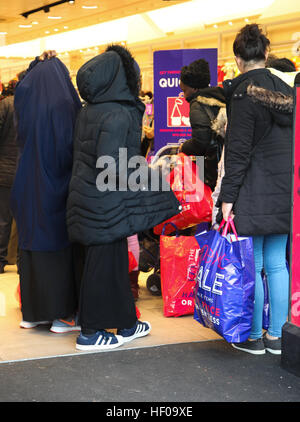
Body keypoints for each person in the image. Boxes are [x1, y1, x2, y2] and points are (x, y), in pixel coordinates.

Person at [66, 44, 181, 351]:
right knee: (102, 268)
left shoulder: (89, 110)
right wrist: (156, 183)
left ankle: (127, 322)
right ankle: (90, 333)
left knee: (114, 266)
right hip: (105, 205)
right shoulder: (118, 114)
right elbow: (113, 165)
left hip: (87, 198)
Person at [218, 24, 294, 355]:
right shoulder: (287, 91)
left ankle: (253, 337)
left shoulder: (243, 93)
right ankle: (278, 337)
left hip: (252, 192)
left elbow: (238, 151)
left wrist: (227, 197)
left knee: (256, 263)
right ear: (265, 54)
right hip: (285, 192)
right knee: (279, 264)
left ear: (237, 60)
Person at [11, 51, 84, 333]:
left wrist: (35, 65)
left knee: (29, 249)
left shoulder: (25, 101)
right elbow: (70, 144)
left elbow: (25, 85)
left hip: (27, 183)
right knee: (58, 249)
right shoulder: (65, 103)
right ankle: (62, 315)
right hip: (56, 182)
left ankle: (32, 313)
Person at [179, 58, 226, 191]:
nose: (183, 95)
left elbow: (201, 142)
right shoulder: (221, 97)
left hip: (213, 168)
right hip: (228, 162)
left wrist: (184, 147)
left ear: (194, 88)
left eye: (185, 90)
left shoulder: (197, 104)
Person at [0, 81, 19, 273]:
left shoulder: (5, 105)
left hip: (4, 171)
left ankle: (0, 260)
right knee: (23, 219)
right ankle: (23, 261)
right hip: (24, 171)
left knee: (3, 220)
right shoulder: (31, 103)